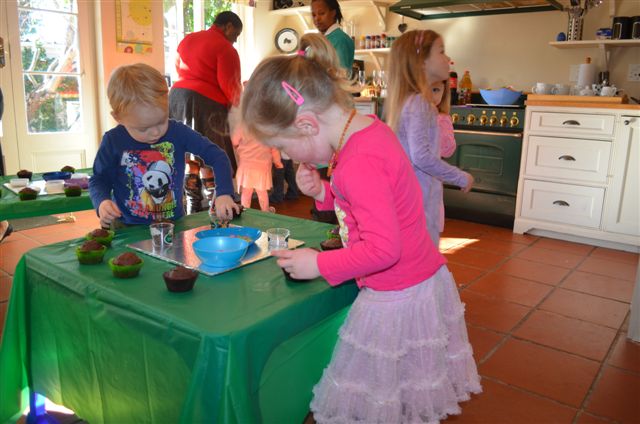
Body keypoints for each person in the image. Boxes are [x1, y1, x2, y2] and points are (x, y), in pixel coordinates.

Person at [239, 33, 481, 423]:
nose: (284, 156)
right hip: (419, 276)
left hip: (395, 289)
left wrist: (318, 265)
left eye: (282, 146)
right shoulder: (367, 130)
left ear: (306, 125)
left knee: (376, 389)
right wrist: (324, 192)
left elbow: (383, 249)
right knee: (405, 379)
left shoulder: (357, 163)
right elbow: (371, 203)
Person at [89, 63, 238, 229]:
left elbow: (218, 157)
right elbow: (99, 179)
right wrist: (102, 202)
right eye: (143, 128)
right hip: (127, 227)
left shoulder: (178, 132)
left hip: (173, 226)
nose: (155, 133)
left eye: (161, 121)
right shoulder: (113, 141)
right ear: (119, 118)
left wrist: (224, 193)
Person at [386, 30, 473, 247]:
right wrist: (460, 177)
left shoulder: (409, 102)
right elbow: (422, 157)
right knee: (423, 255)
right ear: (422, 62)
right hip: (418, 202)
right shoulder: (420, 104)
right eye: (441, 51)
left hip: (409, 199)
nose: (448, 58)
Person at [169, 11, 243, 213]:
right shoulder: (225, 48)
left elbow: (178, 68)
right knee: (210, 156)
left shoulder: (188, 39)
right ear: (228, 26)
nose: (235, 40)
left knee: (189, 158)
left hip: (176, 100)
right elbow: (230, 85)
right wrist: (239, 109)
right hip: (205, 104)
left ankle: (192, 209)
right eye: (236, 35)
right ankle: (216, 209)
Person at [232, 126, 282, 212]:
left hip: (246, 166)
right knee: (262, 192)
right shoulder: (267, 130)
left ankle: (245, 212)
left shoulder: (242, 127)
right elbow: (274, 149)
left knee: (246, 193)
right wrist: (277, 162)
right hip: (262, 167)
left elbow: (235, 141)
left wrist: (238, 147)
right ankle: (265, 211)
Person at [311, 0, 354, 77]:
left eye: (322, 13)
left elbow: (341, 76)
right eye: (314, 15)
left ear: (333, 13)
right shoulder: (320, 39)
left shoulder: (340, 40)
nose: (317, 18)